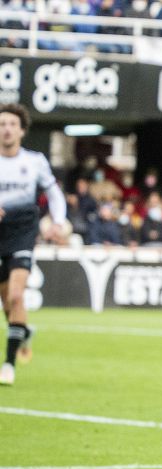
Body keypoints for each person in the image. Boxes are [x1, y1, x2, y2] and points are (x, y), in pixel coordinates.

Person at [0, 103, 67, 386]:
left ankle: (8, 364)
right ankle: (23, 330)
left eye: (12, 124)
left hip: (23, 230)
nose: (6, 129)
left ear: (22, 130)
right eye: (2, 124)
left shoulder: (35, 161)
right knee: (7, 303)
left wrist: (58, 221)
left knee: (16, 296)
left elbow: (54, 193)